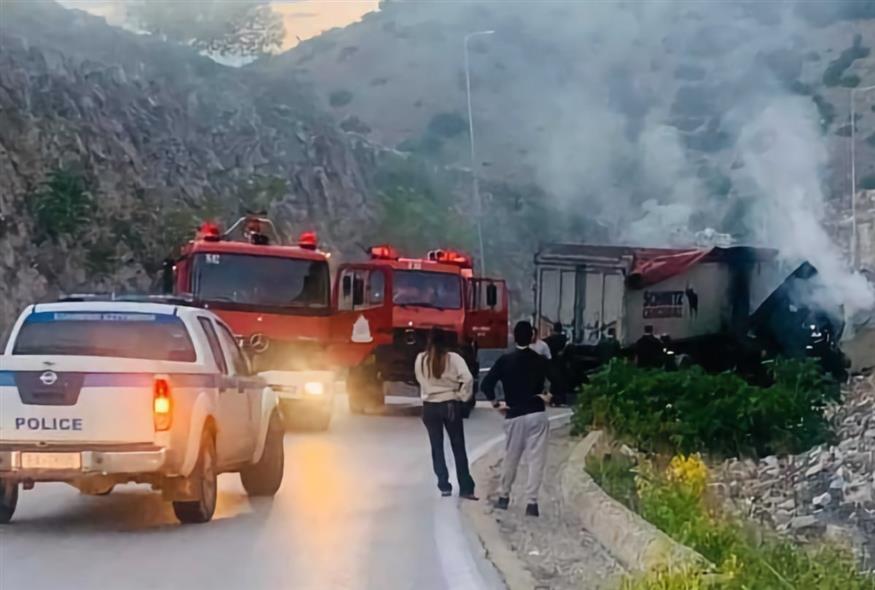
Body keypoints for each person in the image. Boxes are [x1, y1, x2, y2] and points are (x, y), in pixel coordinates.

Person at [481, 321, 554, 517]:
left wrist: (496, 404)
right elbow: (558, 380)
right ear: (532, 337)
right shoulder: (540, 360)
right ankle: (531, 503)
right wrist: (547, 396)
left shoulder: (505, 360)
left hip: (514, 414)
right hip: (536, 413)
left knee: (511, 458)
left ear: (514, 337)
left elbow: (486, 385)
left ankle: (504, 497)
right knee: (536, 460)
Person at [415, 328, 477, 500]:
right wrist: (462, 396)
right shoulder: (454, 359)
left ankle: (444, 486)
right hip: (450, 404)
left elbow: (420, 379)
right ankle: (465, 487)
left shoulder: (421, 359)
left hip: (429, 406)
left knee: (437, 447)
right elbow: (468, 378)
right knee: (458, 446)